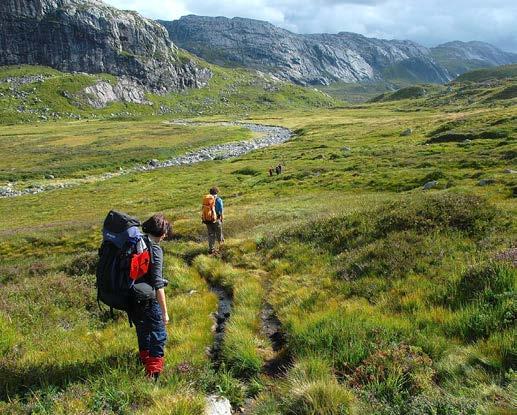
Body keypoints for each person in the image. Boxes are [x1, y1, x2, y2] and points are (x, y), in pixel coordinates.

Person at [130, 213, 171, 380]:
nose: (166, 236)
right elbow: (157, 284)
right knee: (158, 333)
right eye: (165, 232)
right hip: (148, 299)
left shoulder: (137, 242)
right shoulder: (154, 248)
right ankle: (153, 374)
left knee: (143, 330)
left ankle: (144, 361)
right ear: (161, 233)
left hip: (132, 296)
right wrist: (164, 312)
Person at [202, 187, 224, 254]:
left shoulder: (207, 200)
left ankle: (211, 249)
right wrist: (222, 218)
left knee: (211, 234)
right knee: (219, 234)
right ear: (217, 192)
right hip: (216, 219)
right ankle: (222, 247)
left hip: (207, 220)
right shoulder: (218, 200)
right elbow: (221, 210)